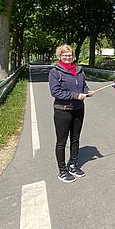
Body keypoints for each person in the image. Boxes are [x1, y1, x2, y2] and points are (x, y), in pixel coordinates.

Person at [48, 44, 93, 183]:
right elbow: (55, 92)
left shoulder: (79, 70)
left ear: (73, 56)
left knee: (75, 138)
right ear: (60, 56)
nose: (68, 57)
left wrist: (86, 92)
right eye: (64, 55)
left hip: (79, 109)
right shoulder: (55, 72)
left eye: (70, 55)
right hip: (63, 110)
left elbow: (83, 86)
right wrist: (75, 95)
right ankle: (62, 170)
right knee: (62, 141)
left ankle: (73, 164)